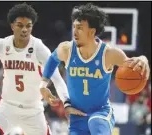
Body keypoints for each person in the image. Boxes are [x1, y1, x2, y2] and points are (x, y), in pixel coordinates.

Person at [39, 3, 150, 135]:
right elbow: (52, 59)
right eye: (74, 27)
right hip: (77, 116)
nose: (74, 31)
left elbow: (135, 68)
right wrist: (43, 84)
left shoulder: (109, 54)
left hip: (101, 113)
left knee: (95, 122)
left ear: (92, 31)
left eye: (79, 28)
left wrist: (144, 59)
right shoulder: (67, 49)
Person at [0, 3, 85, 135]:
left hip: (32, 112)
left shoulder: (39, 49)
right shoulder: (2, 44)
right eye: (20, 25)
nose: (24, 29)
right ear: (12, 26)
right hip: (7, 108)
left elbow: (57, 79)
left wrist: (67, 104)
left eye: (28, 26)